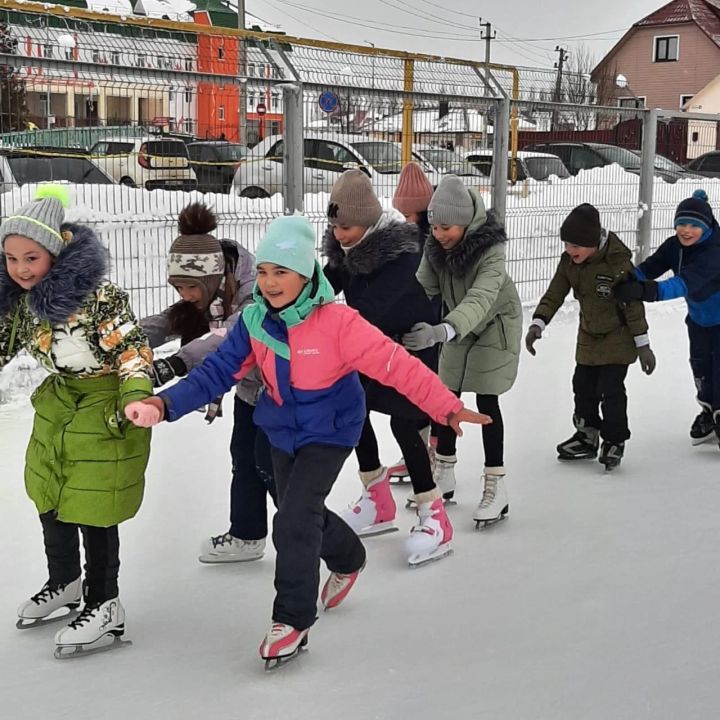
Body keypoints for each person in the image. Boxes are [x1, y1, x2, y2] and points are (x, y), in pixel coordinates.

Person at [125, 214, 490, 667]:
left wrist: (446, 407)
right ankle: (349, 555)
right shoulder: (255, 321)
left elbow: (396, 364)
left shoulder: (337, 323)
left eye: (282, 272)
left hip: (332, 429)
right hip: (282, 426)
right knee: (297, 508)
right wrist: (164, 405)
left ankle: (291, 620)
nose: (271, 282)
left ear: (305, 274)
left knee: (294, 518)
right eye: (263, 272)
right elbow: (219, 372)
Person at [0, 186, 153, 657]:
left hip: (106, 408)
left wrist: (136, 397)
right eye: (10, 258)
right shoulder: (23, 302)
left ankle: (105, 603)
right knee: (48, 489)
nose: (21, 269)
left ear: (56, 252)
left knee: (94, 504)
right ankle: (65, 580)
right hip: (59, 406)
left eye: (31, 257)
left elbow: (133, 350)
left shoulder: (99, 297)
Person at [322, 169, 449, 566]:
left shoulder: (401, 255)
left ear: (367, 220)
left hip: (411, 349)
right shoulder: (351, 250)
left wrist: (326, 331)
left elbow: (370, 311)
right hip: (372, 348)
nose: (340, 234)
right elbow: (325, 289)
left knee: (405, 423)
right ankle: (376, 498)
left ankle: (434, 515)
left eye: (347, 226)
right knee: (350, 405)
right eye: (335, 227)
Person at [140, 202, 277, 563]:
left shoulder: (253, 289)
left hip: (282, 391)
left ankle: (315, 536)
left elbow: (230, 337)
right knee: (244, 459)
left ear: (210, 279)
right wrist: (121, 338)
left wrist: (177, 363)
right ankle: (247, 535)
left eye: (189, 287)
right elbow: (170, 321)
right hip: (251, 389)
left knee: (276, 470)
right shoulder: (211, 290)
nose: (185, 295)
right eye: (179, 287)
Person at [405, 174, 522, 528]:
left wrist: (443, 330)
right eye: (435, 227)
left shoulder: (490, 252)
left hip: (494, 324)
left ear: (467, 222)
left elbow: (481, 298)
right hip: (456, 325)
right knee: (445, 396)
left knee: (487, 401)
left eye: (447, 227)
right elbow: (421, 287)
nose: (440, 234)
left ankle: (495, 485)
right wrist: (400, 321)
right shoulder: (435, 247)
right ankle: (445, 472)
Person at [526, 203, 656, 470]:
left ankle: (614, 440)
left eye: (576, 246)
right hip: (588, 335)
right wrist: (538, 323)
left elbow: (633, 307)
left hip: (618, 337)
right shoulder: (569, 263)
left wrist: (643, 344)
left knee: (611, 390)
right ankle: (587, 435)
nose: (570, 251)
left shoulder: (617, 266)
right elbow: (554, 293)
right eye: (567, 244)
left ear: (593, 242)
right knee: (582, 385)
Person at [615, 190, 720, 447]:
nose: (686, 230)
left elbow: (684, 284)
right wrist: (628, 278)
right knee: (700, 367)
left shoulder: (714, 252)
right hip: (698, 320)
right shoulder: (675, 246)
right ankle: (709, 412)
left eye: (694, 225)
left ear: (706, 227)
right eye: (681, 224)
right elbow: (652, 266)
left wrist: (646, 292)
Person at [386, 161, 437, 484]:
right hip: (413, 329)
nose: (406, 221)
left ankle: (431, 454)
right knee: (417, 394)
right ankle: (421, 451)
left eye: (408, 215)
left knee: (424, 394)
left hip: (430, 328)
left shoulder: (428, 242)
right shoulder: (406, 241)